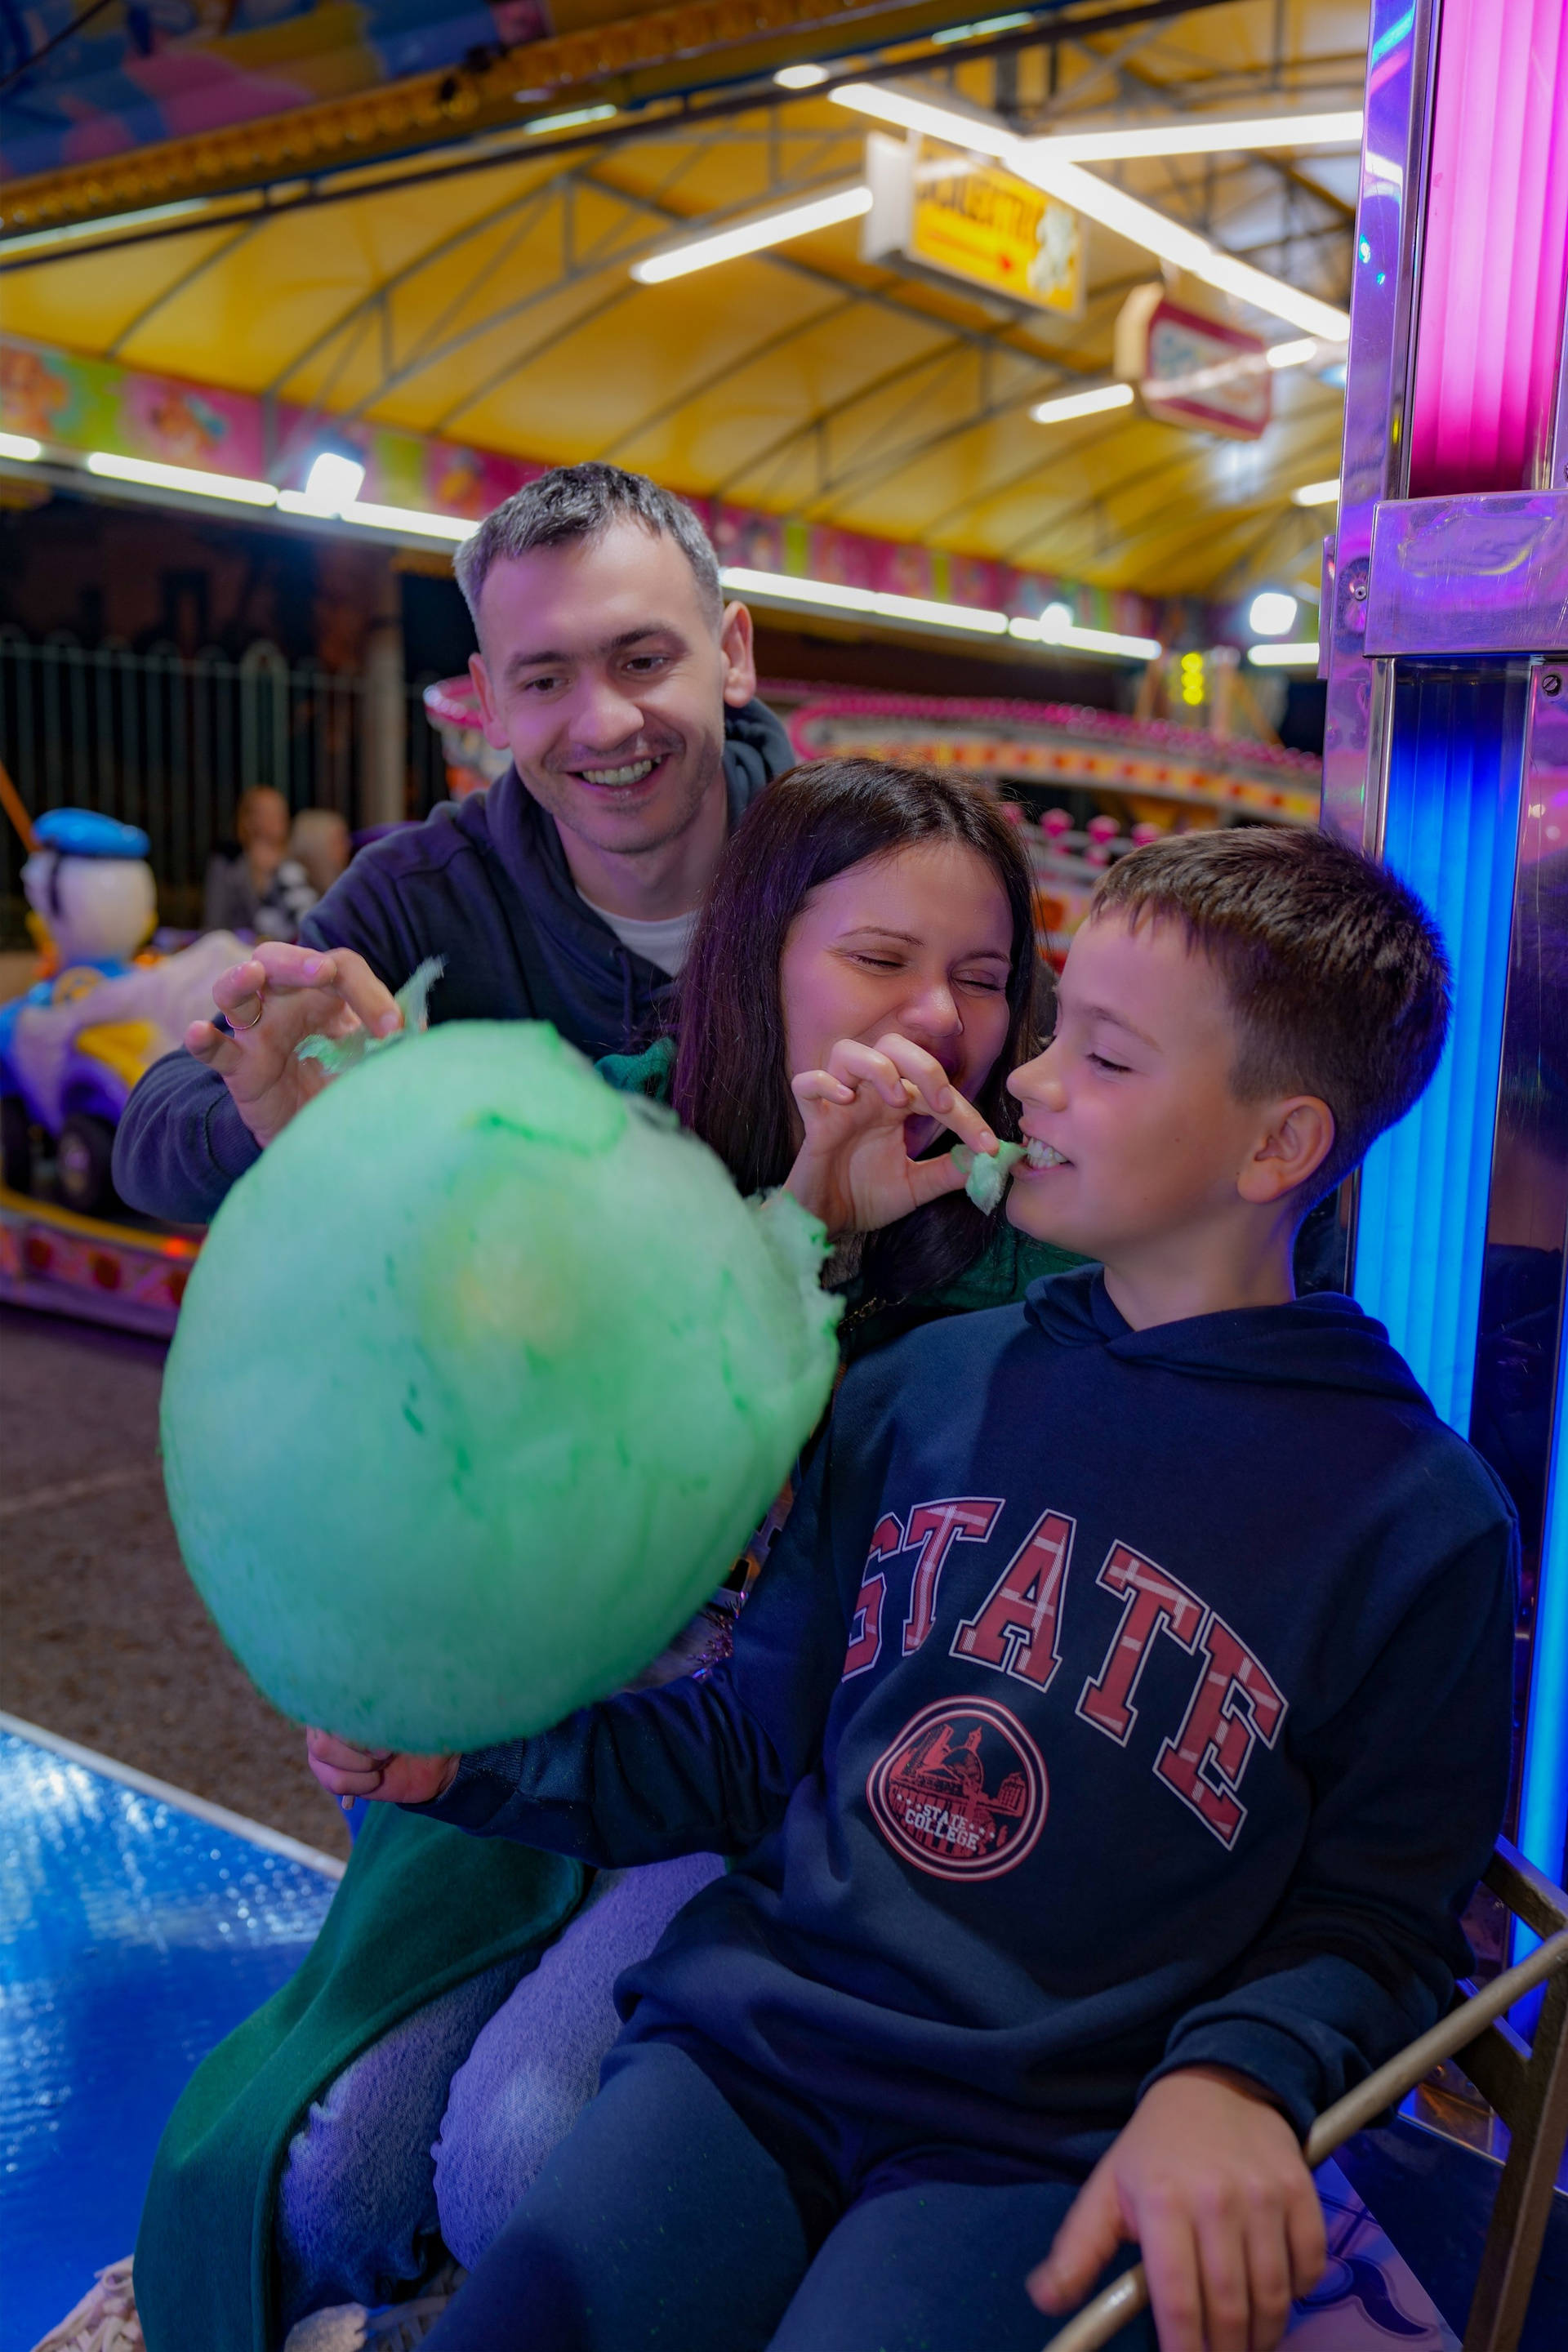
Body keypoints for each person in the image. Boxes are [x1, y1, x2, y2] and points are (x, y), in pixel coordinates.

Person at [311, 826, 1517, 2352]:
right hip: (752, 2050)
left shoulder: (1418, 1523)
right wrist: (476, 1762)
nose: (1030, 1082)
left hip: (1045, 2140)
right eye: (1056, 1031)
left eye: (1108, 1058)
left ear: (1277, 1147)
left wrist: (1234, 2078)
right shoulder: (925, 1387)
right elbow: (748, 1750)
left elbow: (1381, 1915)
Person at [122, 761, 1083, 2352]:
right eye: (879, 957)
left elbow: (833, 1642)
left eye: (983, 976)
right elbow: (444, 1406)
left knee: (515, 2160)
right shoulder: (614, 1127)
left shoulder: (1030, 1240)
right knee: (326, 2177)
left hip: (784, 1791)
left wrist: (818, 1247)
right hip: (552, 1726)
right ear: (761, 950)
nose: (938, 1015)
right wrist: (334, 1149)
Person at [112, 465, 794, 1225]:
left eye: (643, 662)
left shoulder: (847, 867)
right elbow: (148, 1142)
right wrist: (263, 1115)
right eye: (544, 682)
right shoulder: (417, 896)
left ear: (732, 654)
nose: (604, 726)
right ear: (492, 702)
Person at [202, 785, 317, 941]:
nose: (280, 818)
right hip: (235, 950)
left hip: (284, 950)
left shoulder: (294, 864)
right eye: (269, 813)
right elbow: (215, 924)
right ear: (249, 820)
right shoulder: (227, 863)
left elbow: (305, 917)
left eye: (282, 812)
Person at [287, 807, 352, 902]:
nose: (348, 845)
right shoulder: (293, 888)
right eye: (339, 841)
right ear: (317, 847)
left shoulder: (338, 886)